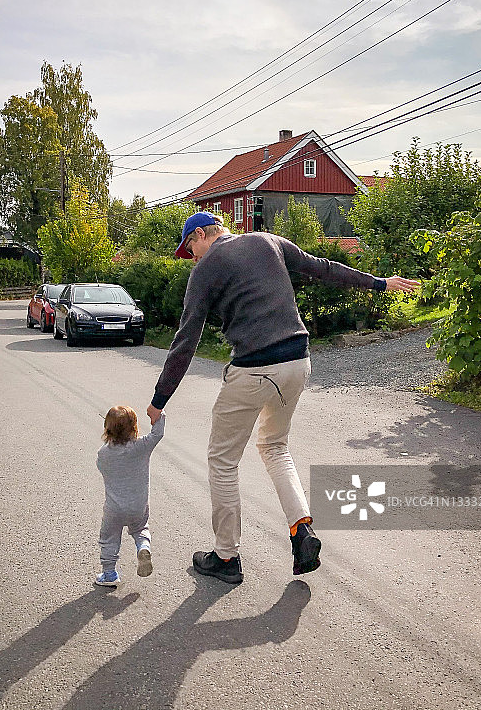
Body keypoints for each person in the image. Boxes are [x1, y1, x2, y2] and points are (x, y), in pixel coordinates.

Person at [147, 211, 419, 584]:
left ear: (201, 234)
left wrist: (159, 398)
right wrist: (378, 283)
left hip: (254, 368)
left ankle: (226, 557)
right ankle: (301, 531)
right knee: (274, 445)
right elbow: (322, 268)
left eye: (189, 247)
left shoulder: (206, 268)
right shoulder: (267, 241)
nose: (191, 256)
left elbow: (186, 340)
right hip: (297, 362)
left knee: (223, 460)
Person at [95, 405, 165, 586]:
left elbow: (101, 468)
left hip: (114, 509)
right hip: (138, 506)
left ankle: (109, 574)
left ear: (107, 429)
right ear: (134, 427)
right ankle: (143, 547)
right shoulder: (141, 446)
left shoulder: (104, 454)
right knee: (140, 529)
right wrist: (159, 414)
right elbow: (157, 434)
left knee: (109, 538)